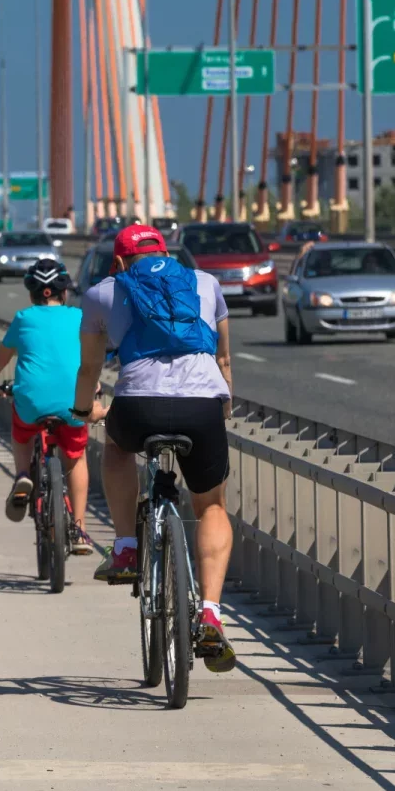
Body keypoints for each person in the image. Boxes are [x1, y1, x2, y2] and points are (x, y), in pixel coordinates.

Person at [72, 224, 237, 672]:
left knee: (119, 449)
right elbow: (222, 359)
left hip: (138, 405)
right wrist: (222, 407)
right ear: (166, 252)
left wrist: (84, 408)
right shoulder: (206, 283)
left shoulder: (102, 292)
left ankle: (126, 545)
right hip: (202, 405)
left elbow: (89, 366)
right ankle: (210, 613)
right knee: (212, 507)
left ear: (122, 262)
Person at [0, 259, 94, 555]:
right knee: (76, 458)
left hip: (31, 400)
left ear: (31, 293)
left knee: (21, 429)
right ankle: (79, 531)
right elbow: (89, 360)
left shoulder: (23, 318)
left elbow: (0, 360)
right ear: (64, 292)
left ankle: (22, 475)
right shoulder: (78, 317)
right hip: (73, 402)